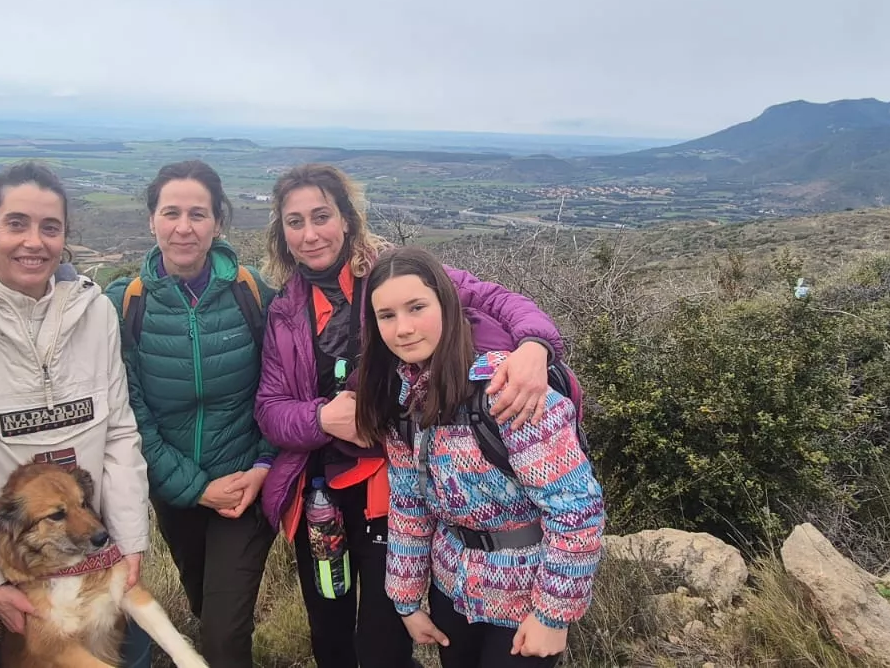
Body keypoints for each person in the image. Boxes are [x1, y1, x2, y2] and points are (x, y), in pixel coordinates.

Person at [255, 163, 568, 668]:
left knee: (381, 641)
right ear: (281, 233)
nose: (310, 234)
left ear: (347, 219)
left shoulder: (397, 275)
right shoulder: (285, 310)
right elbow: (270, 411)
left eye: (321, 216)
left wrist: (535, 345)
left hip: (395, 481)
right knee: (328, 630)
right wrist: (322, 419)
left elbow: (497, 299)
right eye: (295, 222)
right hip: (321, 490)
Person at [0, 160, 153, 668]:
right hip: (14, 565)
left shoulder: (96, 312)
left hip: (95, 548)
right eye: (16, 224)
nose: (34, 242)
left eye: (50, 227)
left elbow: (118, 434)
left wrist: (131, 541)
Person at [357, 246, 604, 668]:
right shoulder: (402, 400)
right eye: (387, 315)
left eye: (417, 307)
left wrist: (553, 616)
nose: (403, 329)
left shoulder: (506, 391)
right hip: (453, 590)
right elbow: (410, 507)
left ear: (447, 305)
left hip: (525, 599)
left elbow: (577, 511)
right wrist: (406, 600)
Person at [105, 160, 277, 668]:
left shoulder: (253, 293)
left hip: (245, 485)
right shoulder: (124, 304)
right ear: (151, 220)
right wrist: (195, 488)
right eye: (171, 213)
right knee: (205, 607)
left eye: (198, 214)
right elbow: (131, 416)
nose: (184, 227)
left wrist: (263, 467)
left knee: (223, 635)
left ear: (218, 222)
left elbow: (281, 387)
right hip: (175, 492)